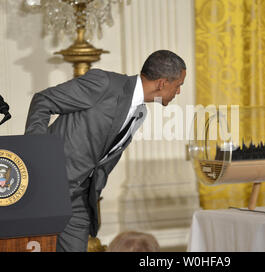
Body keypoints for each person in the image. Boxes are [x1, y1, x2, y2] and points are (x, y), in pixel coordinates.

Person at [25, 50, 186, 252]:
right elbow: (43, 101)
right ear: (162, 83)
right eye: (178, 85)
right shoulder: (105, 83)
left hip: (80, 201)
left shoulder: (140, 112)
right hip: (47, 188)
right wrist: (37, 152)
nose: (178, 91)